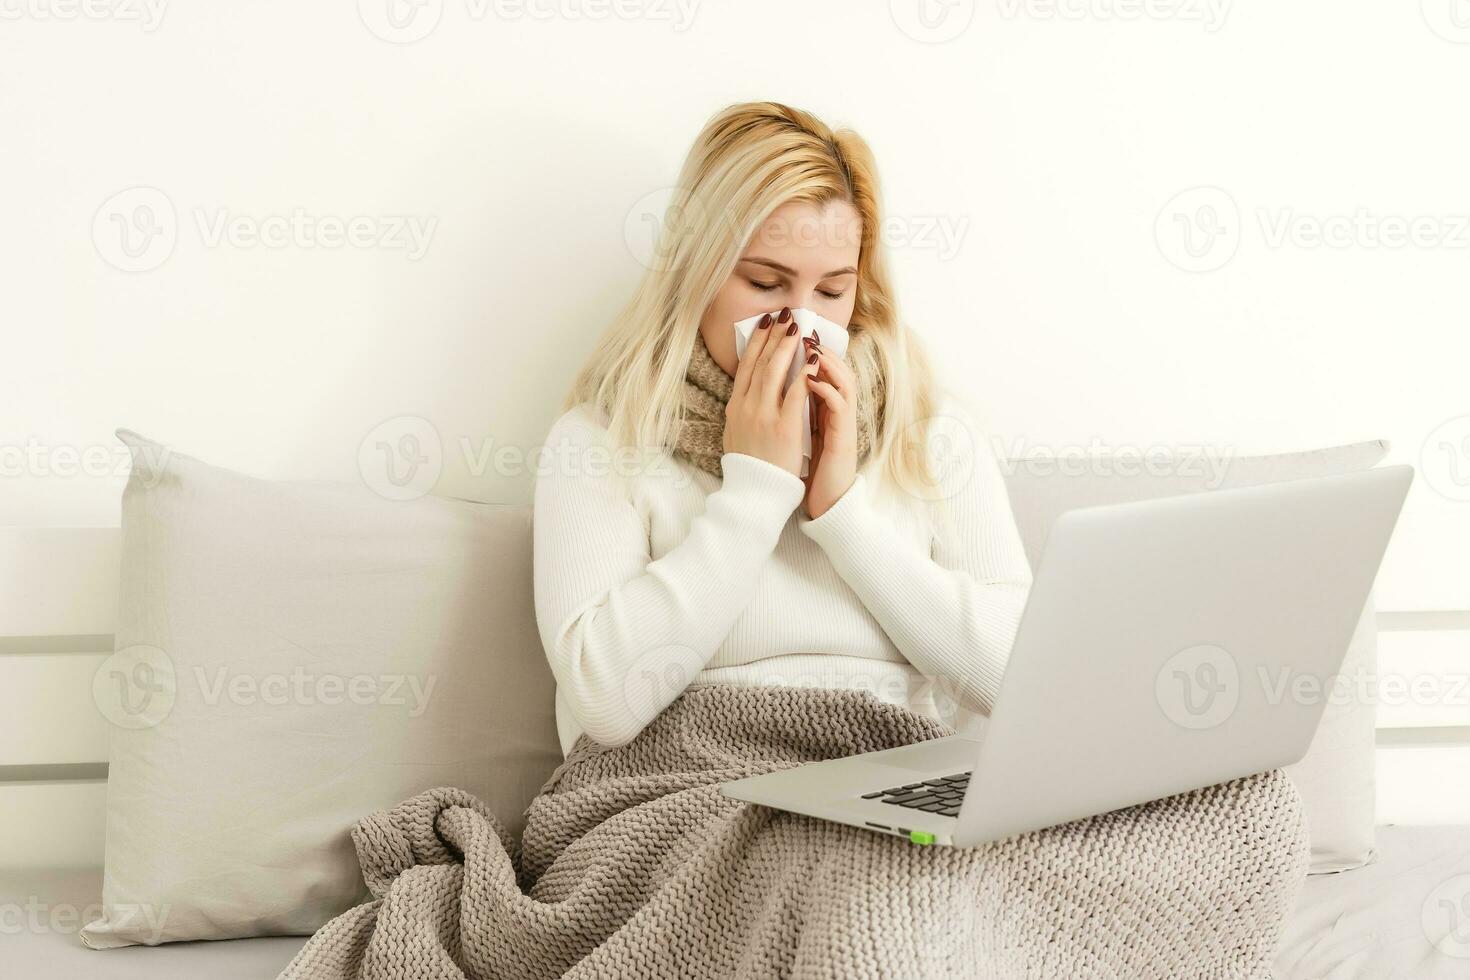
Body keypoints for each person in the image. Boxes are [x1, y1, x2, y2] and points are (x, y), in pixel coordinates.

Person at [533, 100, 1034, 758]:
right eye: (767, 283)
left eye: (831, 292)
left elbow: (1016, 678)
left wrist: (844, 514)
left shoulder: (928, 434)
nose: (800, 323)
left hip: (888, 773)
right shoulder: (604, 438)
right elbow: (606, 700)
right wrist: (757, 490)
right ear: (697, 276)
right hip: (686, 783)